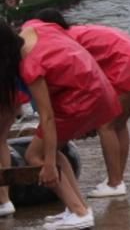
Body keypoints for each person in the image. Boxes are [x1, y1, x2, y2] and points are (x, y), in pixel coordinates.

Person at [0, 20, 122, 229]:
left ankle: (79, 212)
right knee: (52, 151)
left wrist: (47, 165)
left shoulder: (30, 65)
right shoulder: (33, 28)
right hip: (93, 88)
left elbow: (47, 116)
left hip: (79, 99)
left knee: (34, 155)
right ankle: (78, 207)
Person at [31, 9, 130, 198]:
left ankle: (115, 183)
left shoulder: (59, 43)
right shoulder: (75, 33)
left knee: (105, 124)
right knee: (118, 124)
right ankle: (117, 180)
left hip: (127, 66)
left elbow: (78, 84)